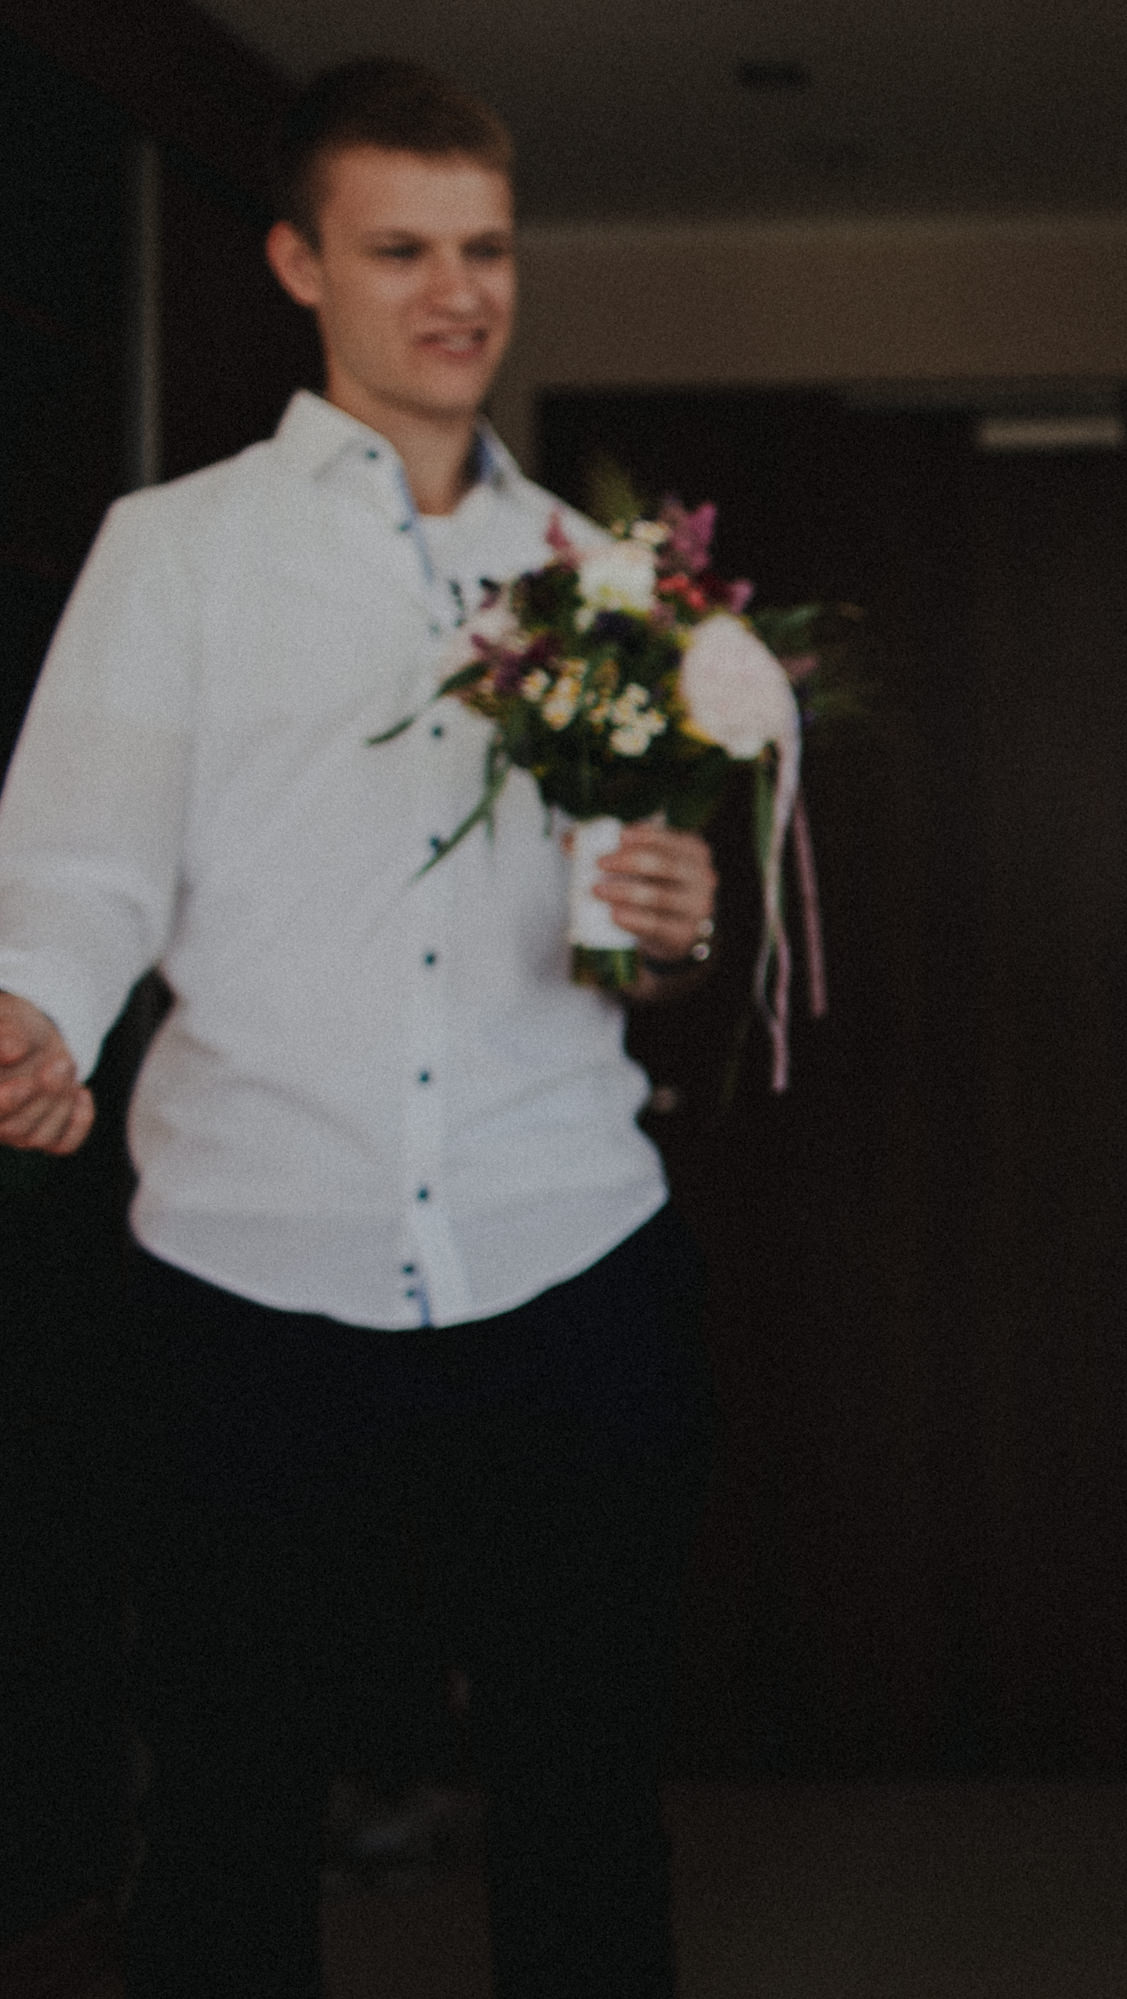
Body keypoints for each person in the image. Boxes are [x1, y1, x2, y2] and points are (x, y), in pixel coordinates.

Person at [0, 61, 717, 1998]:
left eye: (484, 247)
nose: (457, 290)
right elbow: (78, 865)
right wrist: (37, 1012)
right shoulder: (179, 551)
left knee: (586, 1810)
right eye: (403, 249)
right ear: (299, 261)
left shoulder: (600, 575)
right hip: (249, 1267)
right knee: (226, 1818)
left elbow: (615, 915)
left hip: (568, 1249)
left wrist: (666, 920)